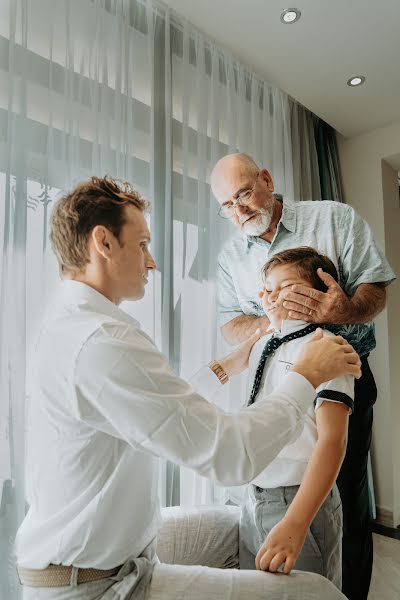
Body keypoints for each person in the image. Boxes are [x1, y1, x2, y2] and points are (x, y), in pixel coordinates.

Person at [15, 176, 361, 600]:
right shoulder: (102, 342)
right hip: (96, 583)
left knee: (284, 561)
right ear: (103, 243)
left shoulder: (71, 324)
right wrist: (304, 377)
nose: (152, 262)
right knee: (313, 593)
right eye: (142, 244)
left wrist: (228, 365)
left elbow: (161, 405)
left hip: (101, 553)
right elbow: (229, 454)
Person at [211, 153, 396, 600]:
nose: (240, 211)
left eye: (245, 195)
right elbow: (231, 323)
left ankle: (343, 592)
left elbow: (374, 288)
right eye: (227, 206)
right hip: (275, 384)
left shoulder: (335, 219)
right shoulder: (231, 256)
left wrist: (343, 310)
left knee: (344, 495)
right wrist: (270, 322)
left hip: (337, 370)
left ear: (267, 181)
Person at [240, 247, 355, 592]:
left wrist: (296, 521)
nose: (271, 296)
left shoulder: (327, 347)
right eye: (267, 288)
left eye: (285, 287)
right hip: (254, 496)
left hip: (299, 500)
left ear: (318, 293)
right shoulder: (263, 346)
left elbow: (332, 441)